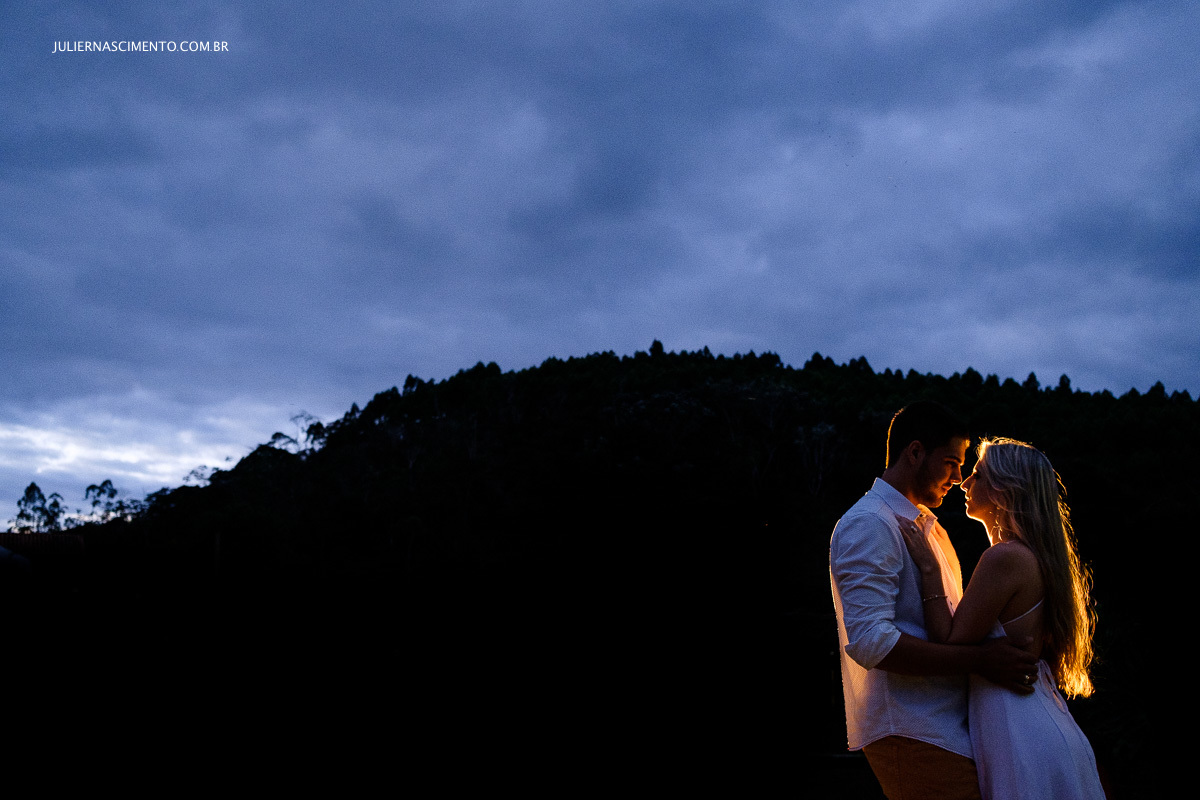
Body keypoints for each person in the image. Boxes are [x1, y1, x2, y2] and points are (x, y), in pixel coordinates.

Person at [829, 402, 1038, 800]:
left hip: (949, 729)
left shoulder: (927, 527)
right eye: (950, 463)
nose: (959, 478)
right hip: (911, 731)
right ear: (915, 452)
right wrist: (983, 660)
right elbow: (874, 643)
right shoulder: (870, 523)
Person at [897, 438, 1105, 799]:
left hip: (1019, 729)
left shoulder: (1005, 559)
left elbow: (948, 644)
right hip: (1032, 720)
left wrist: (928, 567)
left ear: (1004, 489)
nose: (964, 483)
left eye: (977, 475)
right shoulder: (1029, 558)